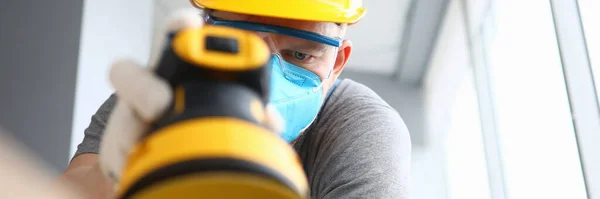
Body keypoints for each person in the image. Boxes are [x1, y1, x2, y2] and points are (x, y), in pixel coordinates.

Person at [62, 0, 412, 198]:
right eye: (241, 41)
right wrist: (111, 178)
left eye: (300, 56)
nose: (265, 78)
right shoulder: (153, 101)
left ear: (337, 63)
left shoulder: (360, 128)